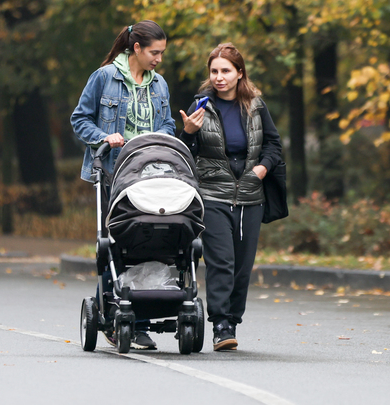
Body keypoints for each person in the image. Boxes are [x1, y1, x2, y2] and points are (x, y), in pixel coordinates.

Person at [71, 20, 176, 349]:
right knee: (113, 244)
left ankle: (140, 318)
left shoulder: (159, 85)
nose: (159, 59)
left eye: (162, 53)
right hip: (113, 174)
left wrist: (170, 139)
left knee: (148, 240)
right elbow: (80, 119)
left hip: (151, 175)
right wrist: (104, 136)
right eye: (154, 53)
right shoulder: (104, 78)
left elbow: (167, 123)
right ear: (137, 49)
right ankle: (115, 314)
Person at [179, 42, 283, 351]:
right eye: (214, 71)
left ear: (239, 73)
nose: (219, 77)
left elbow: (273, 145)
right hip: (212, 193)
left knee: (242, 264)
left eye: (225, 71)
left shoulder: (256, 105)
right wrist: (187, 132)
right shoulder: (201, 106)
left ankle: (233, 320)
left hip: (251, 194)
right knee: (221, 260)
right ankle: (220, 323)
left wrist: (261, 171)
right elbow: (185, 153)